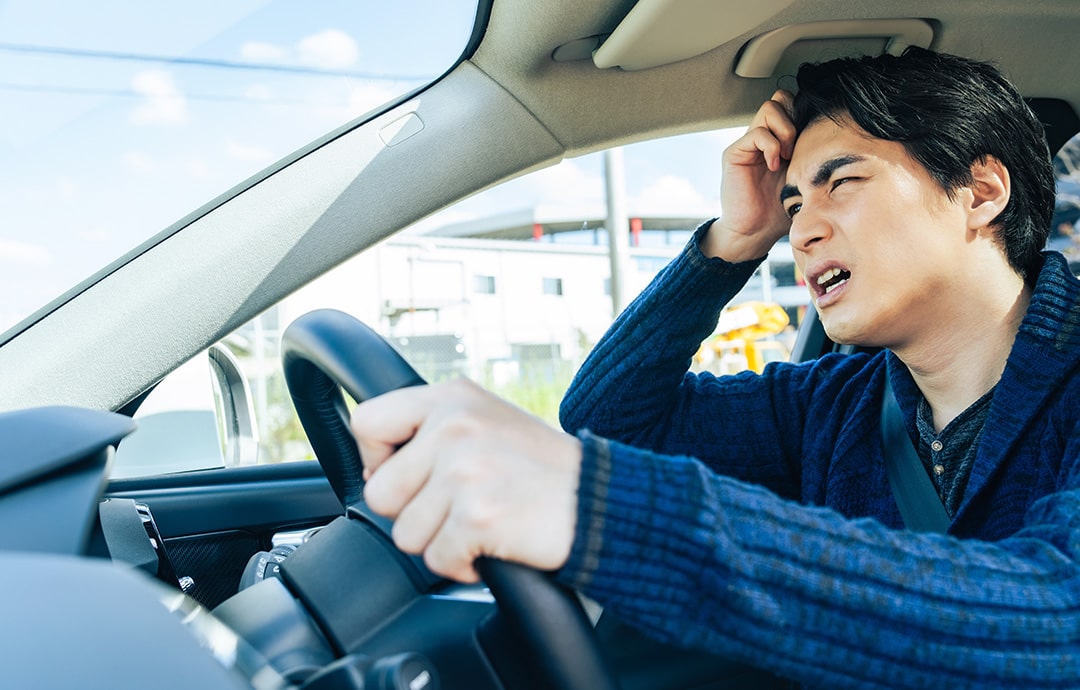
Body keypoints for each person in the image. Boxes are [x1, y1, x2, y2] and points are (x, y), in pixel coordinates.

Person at [350, 47, 1080, 687]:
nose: (803, 229)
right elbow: (611, 420)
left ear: (981, 193)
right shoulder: (834, 403)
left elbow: (1056, 618)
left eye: (842, 183)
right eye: (792, 204)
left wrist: (604, 511)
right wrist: (731, 244)